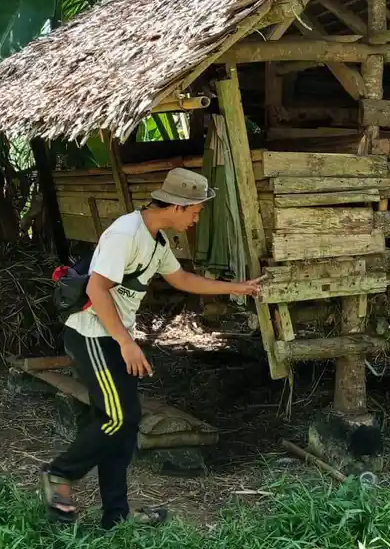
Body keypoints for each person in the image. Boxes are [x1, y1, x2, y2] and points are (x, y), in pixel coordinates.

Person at [40, 167, 262, 529]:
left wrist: (237, 288)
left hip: (114, 336)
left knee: (123, 427)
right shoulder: (126, 233)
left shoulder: (156, 240)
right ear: (177, 206)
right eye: (195, 212)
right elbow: (96, 290)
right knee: (119, 419)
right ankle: (60, 473)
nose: (195, 219)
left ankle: (116, 516)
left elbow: (181, 278)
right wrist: (127, 343)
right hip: (92, 334)